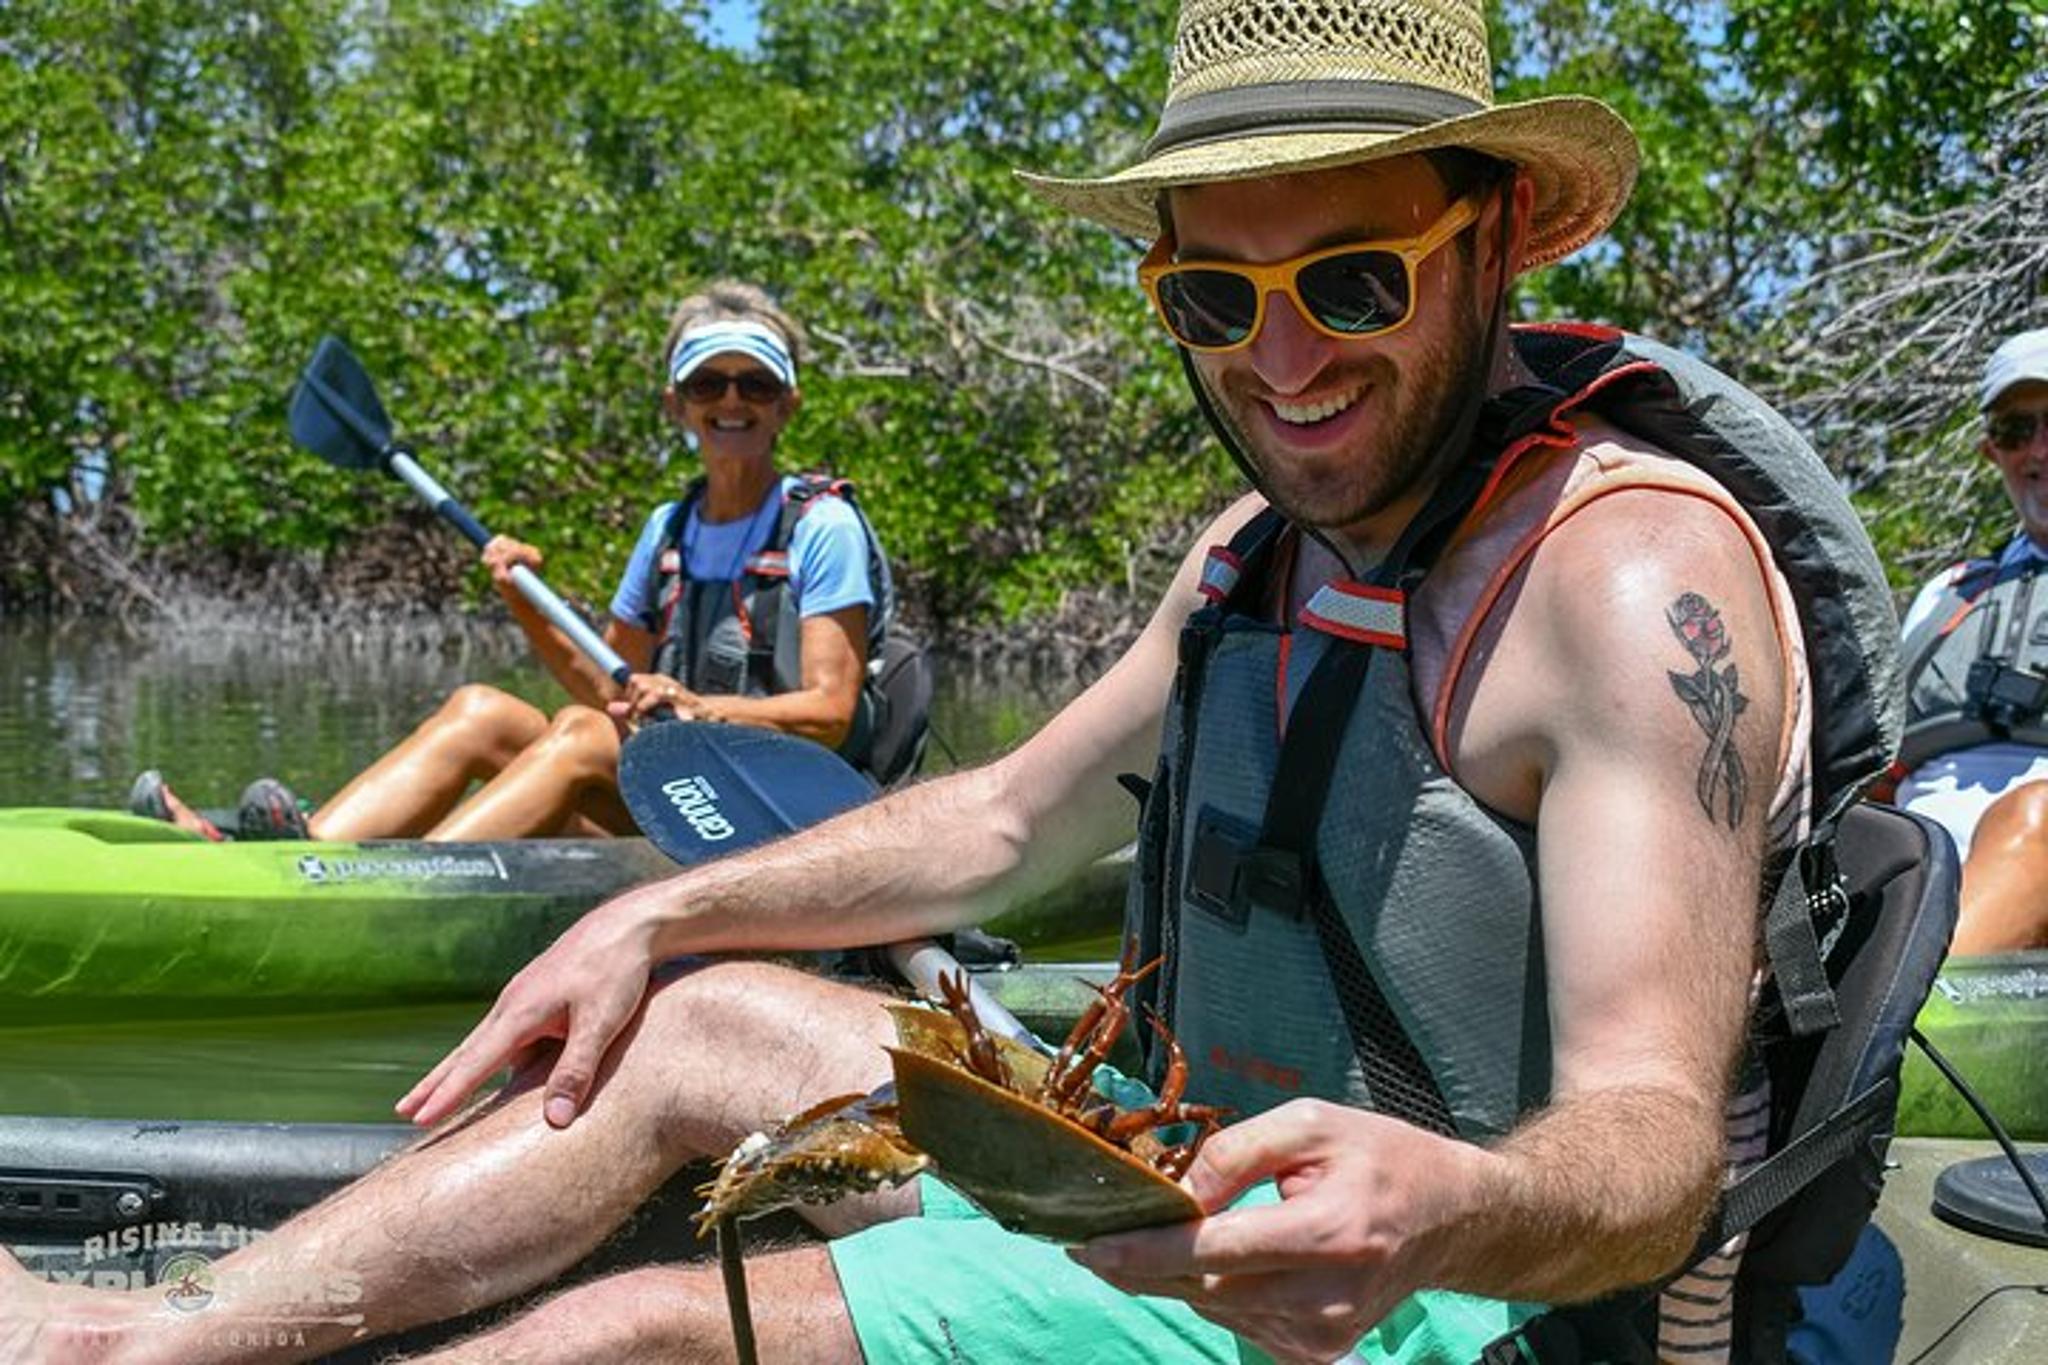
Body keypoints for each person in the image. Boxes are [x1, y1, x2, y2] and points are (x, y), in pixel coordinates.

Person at [7, 4, 1849, 1361]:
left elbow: (1651, 1156)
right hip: (1188, 1178)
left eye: (1352, 282)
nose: (1282, 362)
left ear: (1501, 236)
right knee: (695, 1018)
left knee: (632, 1332)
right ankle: (137, 1337)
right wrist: (655, 917)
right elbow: (1001, 819)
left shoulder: (1624, 588)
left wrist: (1445, 1205)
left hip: (1447, 1306)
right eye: (1215, 301)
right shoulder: (1258, 549)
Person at [130, 281, 889, 844]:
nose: (732, 401)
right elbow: (613, 690)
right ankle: (301, 858)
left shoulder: (822, 526)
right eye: (708, 384)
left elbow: (830, 714)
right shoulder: (669, 528)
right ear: (677, 404)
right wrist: (521, 600)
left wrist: (699, 706)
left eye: (755, 384)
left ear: (786, 404)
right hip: (683, 795)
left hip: (777, 814)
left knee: (582, 735)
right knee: (482, 710)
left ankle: (396, 891)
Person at [1893, 326, 2048, 953]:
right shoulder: (1949, 592)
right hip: (1917, 855)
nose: (2039, 449)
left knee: (2035, 818)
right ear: (1991, 451)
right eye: (2016, 430)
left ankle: (1924, 1003)